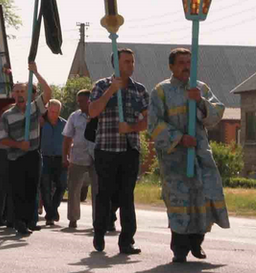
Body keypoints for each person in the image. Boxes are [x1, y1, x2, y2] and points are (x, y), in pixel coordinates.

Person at [148, 48, 230, 263]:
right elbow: (153, 124)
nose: (186, 66)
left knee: (202, 197)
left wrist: (201, 101)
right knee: (179, 202)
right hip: (175, 158)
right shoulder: (161, 91)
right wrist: (179, 137)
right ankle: (180, 249)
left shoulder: (200, 87)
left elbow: (217, 113)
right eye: (181, 62)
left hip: (200, 155)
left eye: (189, 62)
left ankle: (197, 243)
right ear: (172, 66)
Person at [89, 48, 148, 255]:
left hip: (129, 149)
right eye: (126, 62)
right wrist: (111, 91)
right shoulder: (101, 85)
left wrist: (131, 128)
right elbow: (93, 111)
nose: (130, 65)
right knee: (104, 194)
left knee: (126, 196)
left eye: (132, 62)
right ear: (116, 64)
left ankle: (127, 241)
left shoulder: (138, 89)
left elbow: (147, 120)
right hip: (106, 148)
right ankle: (99, 232)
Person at [0, 63, 52, 236]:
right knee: (17, 190)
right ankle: (19, 221)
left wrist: (36, 72)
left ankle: (27, 221)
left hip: (33, 155)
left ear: (28, 93)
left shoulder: (34, 107)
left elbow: (48, 93)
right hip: (15, 157)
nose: (19, 94)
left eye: (23, 91)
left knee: (31, 189)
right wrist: (19, 144)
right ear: (13, 94)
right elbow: (1, 139)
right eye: (17, 92)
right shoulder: (7, 115)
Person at [63, 90, 97, 229]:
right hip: (77, 157)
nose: (79, 103)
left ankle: (98, 221)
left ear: (90, 101)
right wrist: (65, 156)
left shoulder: (99, 114)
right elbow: (67, 137)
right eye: (78, 101)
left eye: (82, 101)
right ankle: (73, 219)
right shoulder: (74, 116)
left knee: (98, 191)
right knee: (73, 189)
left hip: (96, 157)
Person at [39, 99, 67, 226]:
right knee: (45, 186)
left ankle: (52, 210)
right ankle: (50, 215)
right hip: (44, 157)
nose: (53, 114)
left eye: (56, 112)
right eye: (51, 111)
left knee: (61, 185)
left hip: (60, 158)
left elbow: (69, 141)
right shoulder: (41, 123)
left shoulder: (64, 124)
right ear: (47, 110)